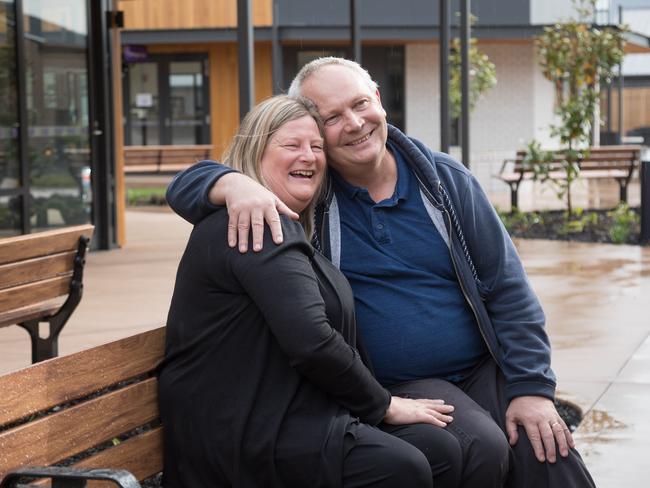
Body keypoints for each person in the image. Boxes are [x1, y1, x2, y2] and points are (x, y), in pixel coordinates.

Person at [166, 58, 596, 487]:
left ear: (379, 100)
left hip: (480, 368)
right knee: (480, 445)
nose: (353, 123)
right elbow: (188, 184)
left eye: (359, 104)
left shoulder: (445, 183)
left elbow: (509, 291)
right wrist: (233, 184)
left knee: (547, 448)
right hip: (392, 381)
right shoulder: (312, 189)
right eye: (333, 117)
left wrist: (532, 389)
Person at [158, 95, 462, 488]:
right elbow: (311, 341)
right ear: (255, 151)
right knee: (403, 466)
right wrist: (383, 405)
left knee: (438, 448)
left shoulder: (287, 226)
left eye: (317, 147)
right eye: (291, 145)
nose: (309, 157)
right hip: (246, 431)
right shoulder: (260, 226)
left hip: (290, 411)